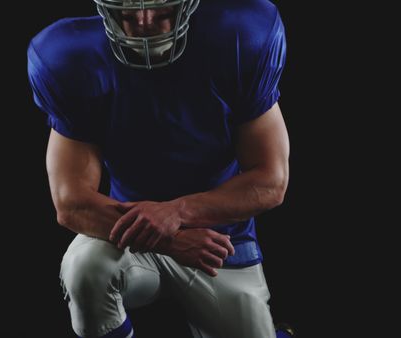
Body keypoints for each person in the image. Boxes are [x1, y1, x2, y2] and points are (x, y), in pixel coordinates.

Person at [27, 0, 292, 337]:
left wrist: (179, 212)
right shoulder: (70, 55)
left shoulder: (239, 37)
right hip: (125, 237)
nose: (143, 21)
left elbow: (270, 181)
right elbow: (71, 203)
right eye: (126, 10)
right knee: (84, 268)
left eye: (162, 9)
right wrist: (172, 239)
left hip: (218, 243)